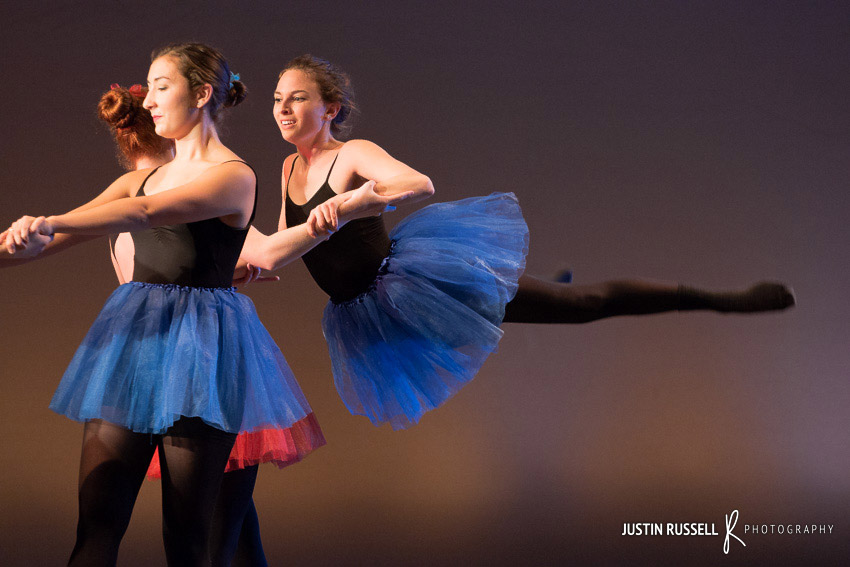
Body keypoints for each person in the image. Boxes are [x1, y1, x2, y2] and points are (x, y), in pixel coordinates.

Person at [239, 55, 796, 431]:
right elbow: (286, 239)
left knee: (582, 307)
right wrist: (242, 256)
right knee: (521, 303)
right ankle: (534, 288)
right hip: (367, 313)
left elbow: (416, 184)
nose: (283, 109)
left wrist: (360, 199)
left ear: (329, 109)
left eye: (297, 98)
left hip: (417, 287)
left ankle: (722, 298)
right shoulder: (288, 168)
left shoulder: (352, 153)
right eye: (277, 99)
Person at [0, 44, 332, 567]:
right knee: (97, 523)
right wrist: (32, 236)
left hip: (205, 355)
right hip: (135, 347)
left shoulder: (233, 176)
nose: (149, 100)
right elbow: (50, 239)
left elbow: (148, 213)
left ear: (201, 94)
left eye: (161, 86)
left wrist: (50, 222)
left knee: (188, 539)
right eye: (148, 86)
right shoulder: (141, 175)